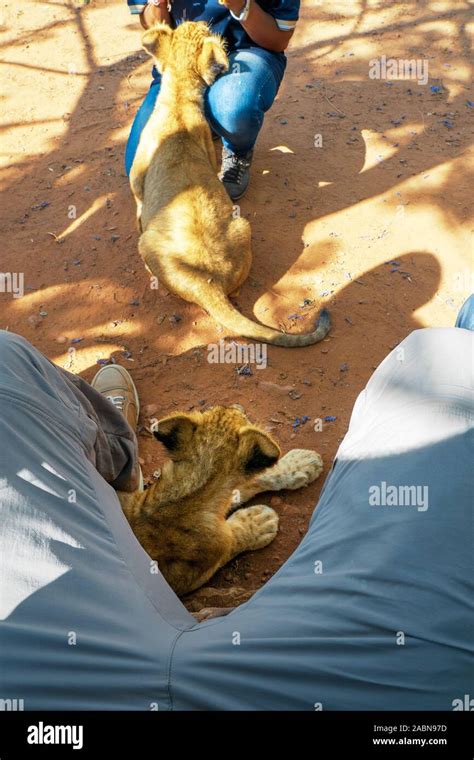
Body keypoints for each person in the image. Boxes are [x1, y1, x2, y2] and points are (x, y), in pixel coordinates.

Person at [0, 297, 472, 709]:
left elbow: (187, 508)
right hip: (276, 684)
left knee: (5, 359)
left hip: (52, 672)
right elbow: (203, 544)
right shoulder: (209, 536)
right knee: (444, 360)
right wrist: (238, 536)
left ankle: (108, 461)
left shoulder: (173, 486)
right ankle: (111, 452)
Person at [125, 0, 300, 199]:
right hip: (185, 62)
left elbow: (279, 40)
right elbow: (150, 21)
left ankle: (237, 150)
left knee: (234, 106)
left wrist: (240, 5)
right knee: (141, 169)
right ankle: (209, 120)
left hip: (248, 51)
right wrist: (158, 4)